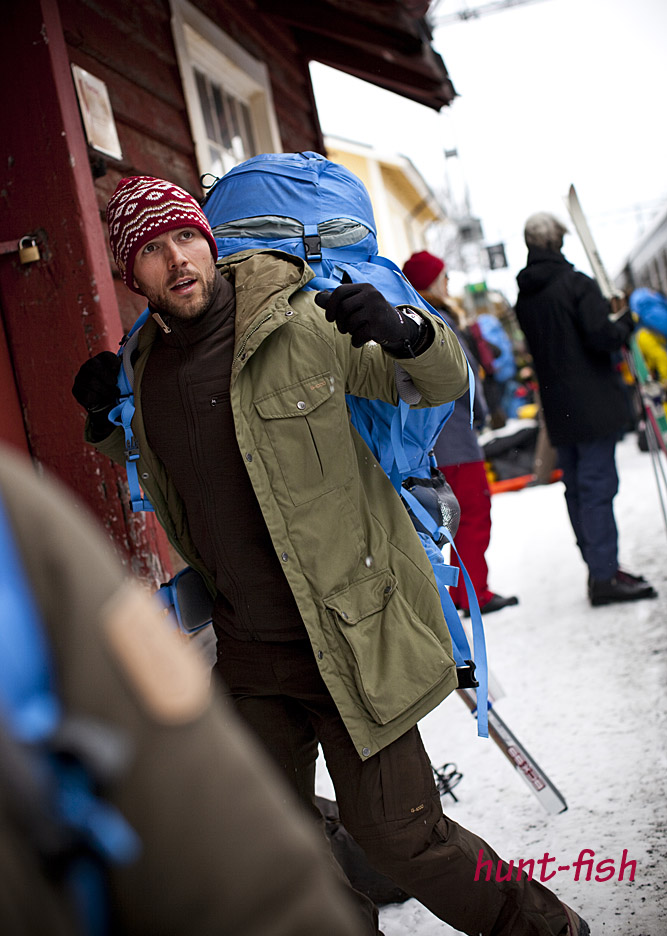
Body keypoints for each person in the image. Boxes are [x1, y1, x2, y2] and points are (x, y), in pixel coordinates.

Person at [73, 175, 589, 936]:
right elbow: (169, 472)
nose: (176, 259)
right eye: (151, 250)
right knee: (277, 845)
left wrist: (410, 330)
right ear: (130, 274)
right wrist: (102, 418)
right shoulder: (144, 371)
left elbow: (438, 383)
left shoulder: (301, 320)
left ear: (208, 241)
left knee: (403, 837)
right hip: (251, 656)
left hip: (351, 636)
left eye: (185, 236)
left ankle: (549, 930)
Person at [0, 441, 371, 936]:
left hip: (318, 639)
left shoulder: (16, 529)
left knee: (390, 834)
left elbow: (247, 879)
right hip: (246, 650)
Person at [515, 212, 657, 606]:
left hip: (558, 407)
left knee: (577, 487)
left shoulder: (525, 295)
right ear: (559, 242)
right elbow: (602, 337)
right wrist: (625, 321)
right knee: (597, 488)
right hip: (592, 403)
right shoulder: (576, 284)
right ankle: (604, 575)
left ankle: (600, 567)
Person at [402, 250, 519, 616]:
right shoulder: (441, 319)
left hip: (427, 440)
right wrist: (480, 415)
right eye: (444, 277)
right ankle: (473, 594)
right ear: (433, 282)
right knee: (472, 513)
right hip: (454, 436)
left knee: (441, 522)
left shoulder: (406, 315)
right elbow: (465, 377)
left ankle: (455, 594)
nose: (449, 283)